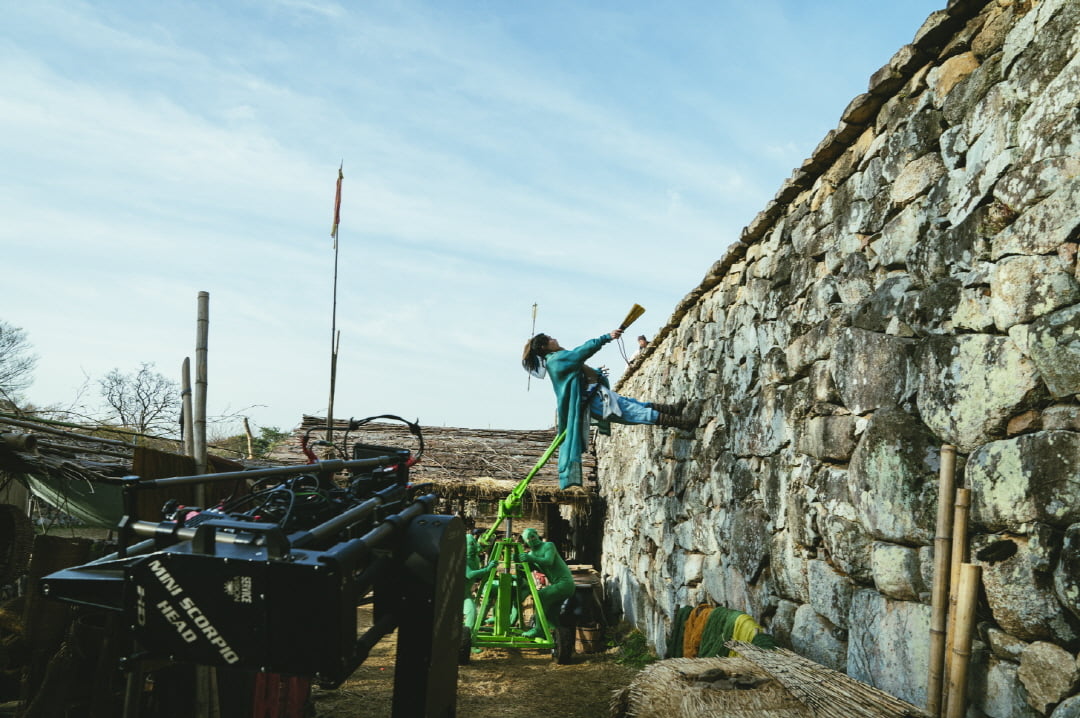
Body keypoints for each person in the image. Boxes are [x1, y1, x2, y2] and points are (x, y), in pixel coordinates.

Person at [522, 328, 696, 489]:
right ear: (545, 346)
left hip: (597, 395)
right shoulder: (556, 360)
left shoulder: (556, 358)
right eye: (550, 339)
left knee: (636, 406)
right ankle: (682, 422)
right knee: (635, 412)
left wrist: (595, 373)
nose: (555, 339)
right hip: (596, 402)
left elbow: (579, 372)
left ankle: (673, 410)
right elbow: (581, 352)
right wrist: (606, 338)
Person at [517, 528, 575, 638]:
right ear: (526, 542)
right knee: (551, 614)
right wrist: (519, 562)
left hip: (565, 583)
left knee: (540, 596)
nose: (532, 540)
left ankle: (539, 630)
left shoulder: (548, 546)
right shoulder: (532, 553)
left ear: (537, 534)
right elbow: (532, 567)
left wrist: (530, 558)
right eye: (528, 539)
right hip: (557, 585)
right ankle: (558, 636)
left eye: (533, 536)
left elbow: (548, 561)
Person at [463, 533, 494, 632]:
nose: (474, 547)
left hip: (466, 593)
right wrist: (486, 569)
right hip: (457, 595)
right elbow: (470, 574)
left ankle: (469, 637)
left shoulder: (475, 558)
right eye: (470, 545)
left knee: (472, 612)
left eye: (474, 544)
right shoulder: (463, 559)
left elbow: (478, 575)